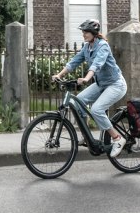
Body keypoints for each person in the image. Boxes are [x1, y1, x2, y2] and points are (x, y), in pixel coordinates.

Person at [53, 20, 128, 157]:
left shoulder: (103, 46)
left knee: (96, 109)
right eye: (83, 32)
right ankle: (88, 137)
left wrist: (87, 78)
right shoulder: (87, 47)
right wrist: (59, 74)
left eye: (86, 32)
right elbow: (74, 62)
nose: (83, 35)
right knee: (77, 103)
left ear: (93, 33)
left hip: (116, 84)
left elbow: (97, 64)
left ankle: (117, 139)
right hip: (101, 84)